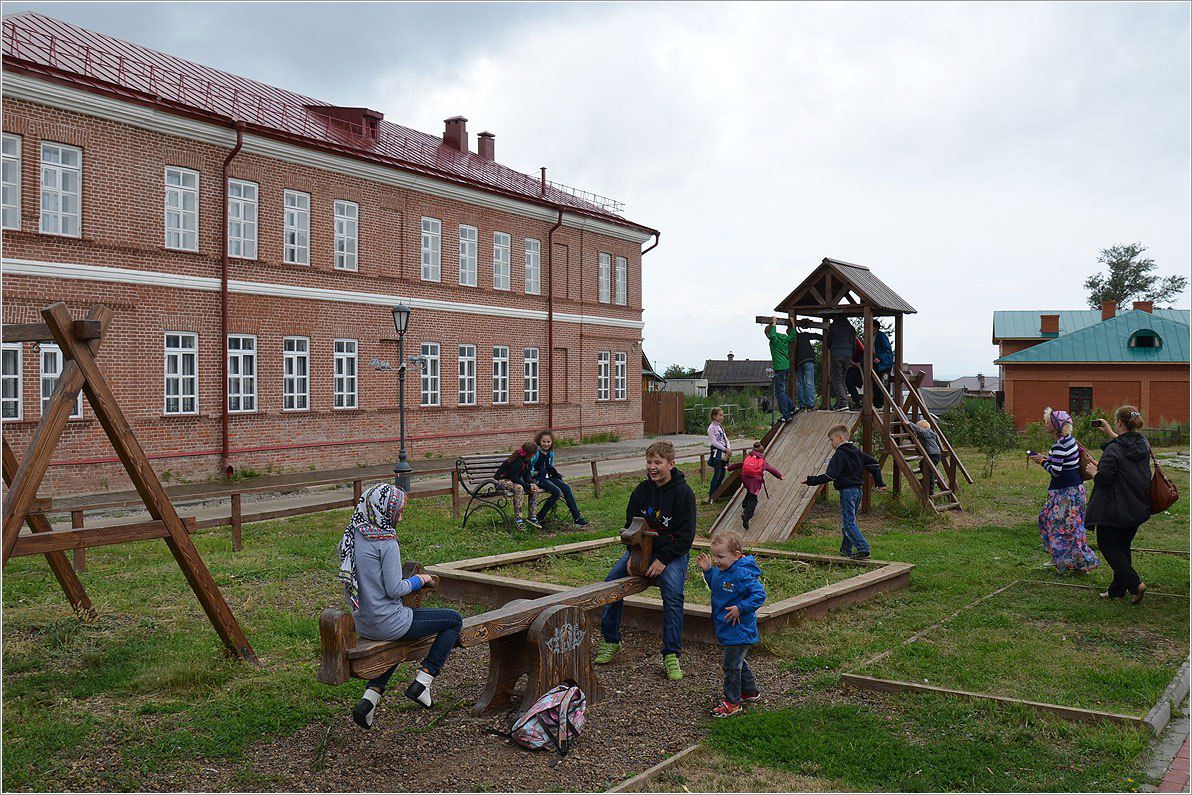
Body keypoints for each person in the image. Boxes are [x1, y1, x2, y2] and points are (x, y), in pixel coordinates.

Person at [336, 483, 464, 728]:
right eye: (398, 512)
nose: (401, 518)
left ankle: (369, 700)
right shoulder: (386, 542)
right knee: (453, 620)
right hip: (388, 622)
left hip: (364, 623)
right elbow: (395, 589)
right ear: (383, 510)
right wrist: (421, 580)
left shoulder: (351, 536)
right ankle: (423, 682)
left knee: (399, 639)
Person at [594, 441, 696, 681]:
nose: (652, 467)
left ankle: (671, 653)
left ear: (671, 464)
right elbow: (630, 526)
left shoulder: (683, 494)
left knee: (673, 594)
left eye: (658, 462)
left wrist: (663, 560)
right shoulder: (641, 491)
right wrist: (633, 554)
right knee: (611, 586)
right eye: (649, 462)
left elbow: (686, 536)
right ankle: (611, 640)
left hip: (672, 554)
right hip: (642, 551)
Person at [697, 530, 767, 718]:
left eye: (720, 557)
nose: (716, 560)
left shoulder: (741, 574)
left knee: (730, 666)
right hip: (728, 627)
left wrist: (740, 608)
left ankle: (732, 703)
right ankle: (749, 692)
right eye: (714, 556)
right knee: (737, 661)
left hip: (739, 629)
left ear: (736, 555)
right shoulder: (723, 571)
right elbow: (717, 587)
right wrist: (708, 571)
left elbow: (759, 595)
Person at [1087, 406, 1152, 602]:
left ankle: (1135, 584)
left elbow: (1104, 479)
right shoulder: (1143, 443)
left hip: (1115, 508)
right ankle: (1117, 590)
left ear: (1120, 422)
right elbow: (1126, 449)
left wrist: (1093, 472)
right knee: (1123, 546)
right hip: (1136, 505)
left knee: (1107, 545)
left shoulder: (1114, 449)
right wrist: (1110, 433)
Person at [1029, 408, 1099, 573]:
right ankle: (1061, 557)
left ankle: (1081, 562)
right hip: (1069, 490)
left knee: (1065, 527)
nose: (1045, 423)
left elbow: (1055, 471)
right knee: (1051, 520)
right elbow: (1062, 462)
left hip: (1065, 492)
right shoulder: (1068, 440)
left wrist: (1041, 461)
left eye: (1048, 421)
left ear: (1056, 426)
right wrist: (1047, 458)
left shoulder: (1060, 444)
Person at [804, 424, 887, 559]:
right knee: (849, 522)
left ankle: (864, 549)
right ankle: (845, 550)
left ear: (840, 438)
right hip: (858, 492)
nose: (831, 443)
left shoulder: (840, 454)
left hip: (847, 492)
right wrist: (879, 482)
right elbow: (874, 464)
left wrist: (811, 480)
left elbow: (830, 475)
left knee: (848, 524)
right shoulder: (856, 452)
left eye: (832, 440)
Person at [529, 430, 589, 527]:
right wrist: (537, 473)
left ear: (552, 442)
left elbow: (550, 466)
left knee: (567, 488)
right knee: (556, 492)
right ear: (539, 441)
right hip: (538, 478)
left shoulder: (551, 453)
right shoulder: (535, 453)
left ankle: (577, 518)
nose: (546, 444)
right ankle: (539, 517)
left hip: (548, 477)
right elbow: (528, 470)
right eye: (543, 441)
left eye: (548, 442)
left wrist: (555, 474)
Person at [726, 442, 783, 531]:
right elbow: (770, 469)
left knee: (749, 491)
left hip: (745, 479)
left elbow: (740, 464)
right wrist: (779, 476)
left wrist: (729, 468)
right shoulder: (761, 461)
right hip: (754, 482)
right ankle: (746, 516)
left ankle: (744, 504)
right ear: (761, 451)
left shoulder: (749, 457)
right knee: (753, 500)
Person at [494, 441, 541, 530]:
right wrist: (527, 486)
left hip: (513, 481)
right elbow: (514, 477)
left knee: (534, 489)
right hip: (502, 481)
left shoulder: (527, 460)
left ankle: (532, 516)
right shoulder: (517, 461)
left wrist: (531, 484)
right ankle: (518, 519)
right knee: (519, 488)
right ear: (529, 453)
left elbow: (527, 475)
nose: (534, 455)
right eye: (533, 453)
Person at [764, 318, 796, 422]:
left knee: (779, 394)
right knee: (782, 391)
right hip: (786, 367)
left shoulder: (774, 339)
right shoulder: (784, 337)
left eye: (766, 335)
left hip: (779, 368)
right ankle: (792, 408)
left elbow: (772, 335)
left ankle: (786, 415)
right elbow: (793, 336)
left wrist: (774, 323)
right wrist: (793, 324)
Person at [826, 315, 858, 411]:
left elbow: (828, 342)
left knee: (837, 379)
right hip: (848, 355)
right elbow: (854, 343)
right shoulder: (851, 328)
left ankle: (843, 404)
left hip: (836, 354)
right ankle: (843, 403)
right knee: (843, 378)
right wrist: (850, 354)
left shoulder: (833, 327)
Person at [793, 322, 823, 412]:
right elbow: (816, 336)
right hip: (808, 360)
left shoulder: (792, 339)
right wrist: (826, 337)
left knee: (800, 384)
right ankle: (810, 405)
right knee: (809, 383)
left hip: (798, 363)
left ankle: (802, 406)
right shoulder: (804, 335)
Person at [707, 408, 732, 504]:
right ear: (714, 416)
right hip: (717, 452)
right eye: (720, 415)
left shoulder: (720, 426)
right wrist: (724, 449)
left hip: (724, 451)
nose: (722, 417)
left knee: (722, 474)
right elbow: (714, 442)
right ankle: (711, 495)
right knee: (717, 474)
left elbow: (725, 439)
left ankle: (718, 493)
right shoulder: (711, 428)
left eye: (722, 415)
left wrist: (728, 448)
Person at [913, 419, 942, 495]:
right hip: (934, 454)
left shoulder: (927, 433)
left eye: (919, 427)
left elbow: (920, 432)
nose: (917, 430)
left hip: (933, 455)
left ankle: (930, 490)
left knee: (930, 472)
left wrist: (910, 424)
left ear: (925, 427)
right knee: (922, 464)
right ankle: (925, 479)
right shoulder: (929, 433)